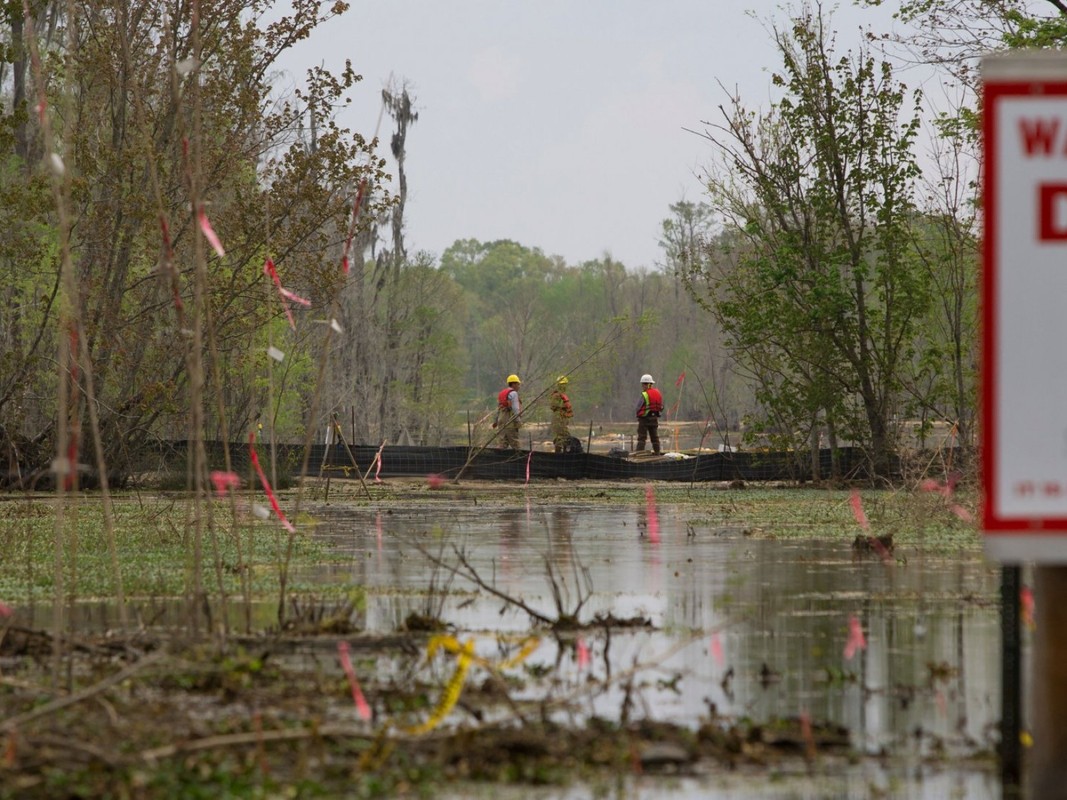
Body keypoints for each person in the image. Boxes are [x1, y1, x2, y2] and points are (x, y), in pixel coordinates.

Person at [635, 373, 663, 454]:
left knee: (641, 438)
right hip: (654, 419)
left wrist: (638, 415)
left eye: (642, 384)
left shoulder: (644, 394)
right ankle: (657, 453)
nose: (642, 386)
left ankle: (639, 455)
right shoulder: (658, 393)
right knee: (655, 438)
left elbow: (638, 407)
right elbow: (661, 407)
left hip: (644, 419)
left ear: (645, 384)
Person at [493, 374, 523, 449]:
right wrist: (518, 421)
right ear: (513, 384)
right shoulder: (514, 393)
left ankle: (500, 459)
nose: (519, 386)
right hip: (509, 421)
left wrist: (495, 421)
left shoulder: (502, 393)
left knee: (503, 444)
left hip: (501, 421)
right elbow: (516, 409)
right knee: (515, 444)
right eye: (518, 384)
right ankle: (519, 460)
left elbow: (498, 408)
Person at [549, 376, 574, 453]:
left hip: (563, 419)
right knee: (559, 438)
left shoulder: (563, 395)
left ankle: (565, 453)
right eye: (562, 384)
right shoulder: (556, 395)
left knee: (565, 437)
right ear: (559, 385)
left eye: (565, 384)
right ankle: (558, 454)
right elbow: (553, 406)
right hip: (558, 419)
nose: (564, 386)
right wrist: (563, 406)